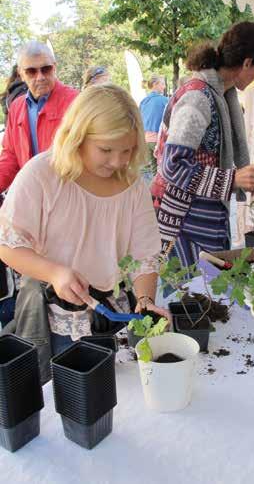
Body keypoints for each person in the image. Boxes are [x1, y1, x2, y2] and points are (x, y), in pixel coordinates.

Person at [0, 84, 169, 380]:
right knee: (62, 402)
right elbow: (7, 244)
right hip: (55, 319)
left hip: (110, 318)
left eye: (127, 151)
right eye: (106, 149)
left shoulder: (132, 186)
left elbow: (145, 256)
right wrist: (54, 272)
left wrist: (145, 301)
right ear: (78, 135)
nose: (118, 161)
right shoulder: (42, 175)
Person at [151, 21, 254, 268]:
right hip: (182, 220)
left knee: (207, 291)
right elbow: (172, 166)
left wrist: (240, 178)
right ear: (248, 62)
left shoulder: (220, 95)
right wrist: (233, 179)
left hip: (200, 216)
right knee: (190, 295)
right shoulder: (199, 97)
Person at [0, 40, 79, 194]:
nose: (40, 76)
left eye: (46, 69)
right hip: (34, 194)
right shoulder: (16, 107)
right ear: (21, 74)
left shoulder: (76, 101)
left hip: (69, 193)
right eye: (31, 71)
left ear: (54, 68)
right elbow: (10, 155)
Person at [139, 75, 168, 177]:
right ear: (155, 84)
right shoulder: (165, 100)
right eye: (163, 84)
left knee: (154, 170)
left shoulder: (143, 101)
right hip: (159, 140)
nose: (164, 87)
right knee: (164, 170)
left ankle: (153, 191)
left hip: (146, 140)